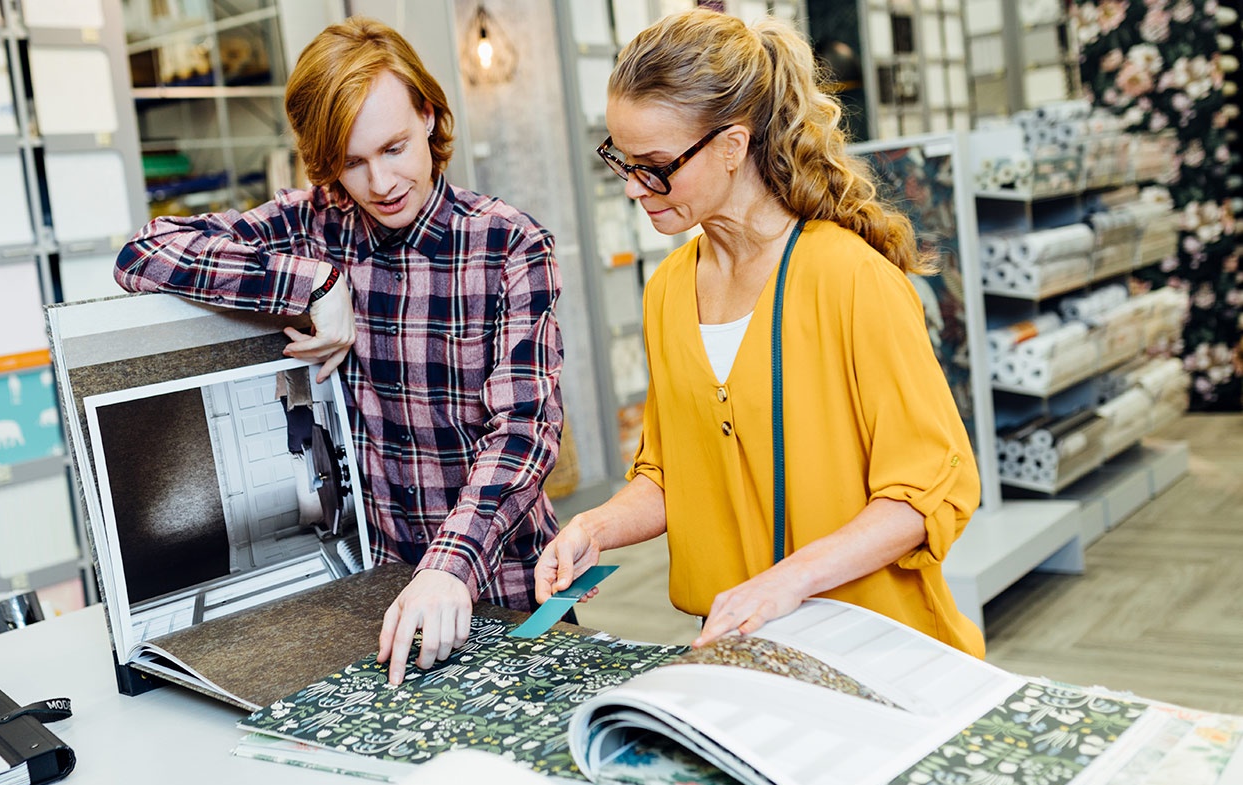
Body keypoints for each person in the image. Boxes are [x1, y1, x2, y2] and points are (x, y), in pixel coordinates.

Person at [115, 17, 564, 685]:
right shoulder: (309, 226)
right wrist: (315, 282)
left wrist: (449, 567)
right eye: (353, 162)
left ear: (431, 116)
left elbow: (527, 431)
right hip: (374, 599)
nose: (381, 181)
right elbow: (142, 254)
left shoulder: (509, 244)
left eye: (395, 147)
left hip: (505, 583)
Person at [534, 9, 984, 657]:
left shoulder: (851, 278)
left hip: (878, 652)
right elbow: (670, 473)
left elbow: (924, 496)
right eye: (620, 160)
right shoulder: (667, 293)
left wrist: (787, 582)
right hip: (742, 652)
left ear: (731, 146)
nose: (634, 187)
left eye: (655, 164)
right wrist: (595, 526)